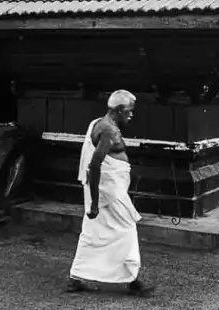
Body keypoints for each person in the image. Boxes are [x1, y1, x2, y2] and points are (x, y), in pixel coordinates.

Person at [67, 89, 155, 297]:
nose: (132, 115)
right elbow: (95, 165)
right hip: (108, 193)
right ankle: (132, 280)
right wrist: (95, 203)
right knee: (127, 228)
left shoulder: (100, 123)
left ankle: (76, 278)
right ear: (119, 110)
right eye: (130, 111)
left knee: (92, 232)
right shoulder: (109, 131)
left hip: (110, 188)